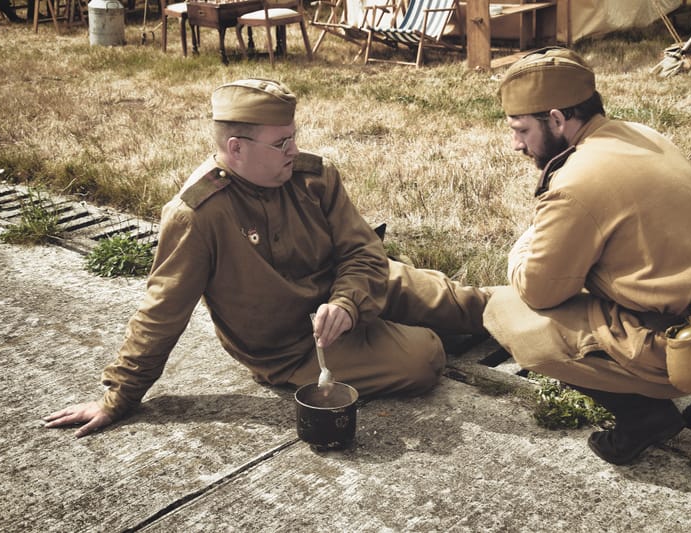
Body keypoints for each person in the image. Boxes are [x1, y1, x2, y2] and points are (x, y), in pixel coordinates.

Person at [44, 78, 489, 437]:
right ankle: (395, 333)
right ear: (236, 148)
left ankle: (545, 316)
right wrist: (119, 396)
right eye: (281, 144)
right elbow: (161, 312)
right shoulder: (197, 215)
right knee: (424, 357)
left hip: (349, 294)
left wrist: (348, 304)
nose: (293, 151)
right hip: (292, 345)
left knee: (467, 304)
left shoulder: (314, 178)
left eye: (293, 138)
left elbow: (361, 252)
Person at [482, 47, 691, 465]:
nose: (516, 145)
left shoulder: (576, 181)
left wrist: (524, 243)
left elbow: (537, 290)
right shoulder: (641, 133)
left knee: (506, 311)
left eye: (521, 130)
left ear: (557, 119)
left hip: (684, 350)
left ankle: (642, 414)